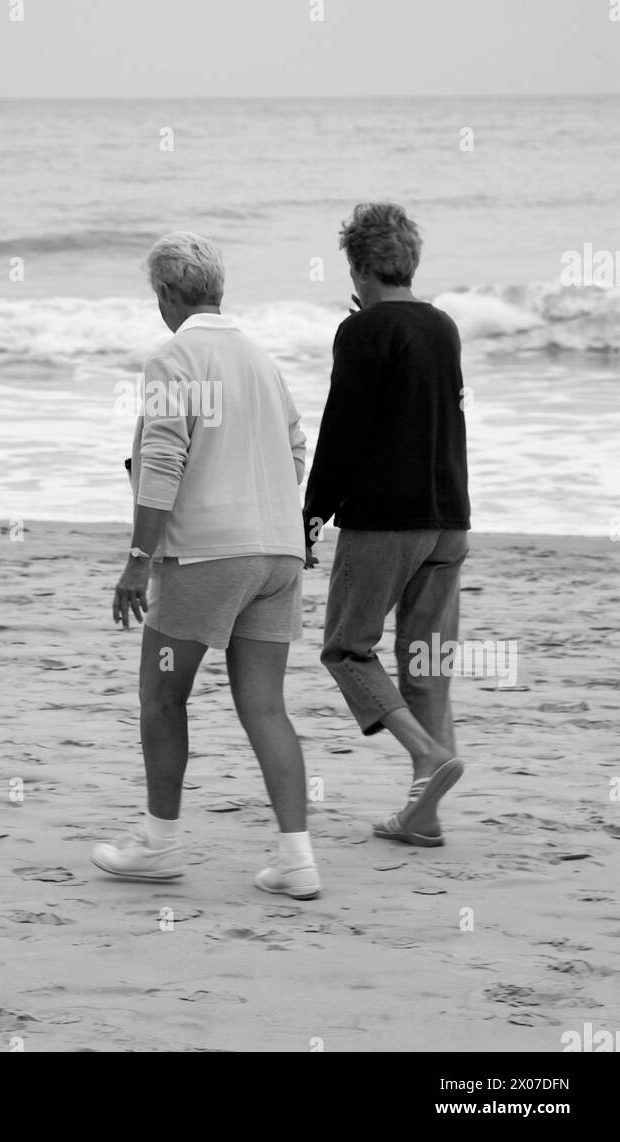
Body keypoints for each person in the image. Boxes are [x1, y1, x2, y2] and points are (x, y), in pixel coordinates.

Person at [93, 231, 320, 898]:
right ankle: (296, 857)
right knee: (266, 707)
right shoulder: (261, 359)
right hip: (277, 554)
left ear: (165, 295)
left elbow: (161, 460)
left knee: (162, 695)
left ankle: (158, 844)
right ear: (218, 290)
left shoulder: (173, 357)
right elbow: (295, 448)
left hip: (206, 558)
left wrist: (138, 559)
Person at [303, 203, 470, 847]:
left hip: (387, 520)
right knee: (425, 664)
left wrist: (313, 512)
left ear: (359, 265)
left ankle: (427, 757)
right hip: (448, 518)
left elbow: (342, 432)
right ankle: (423, 815)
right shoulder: (443, 326)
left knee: (347, 648)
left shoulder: (363, 332)